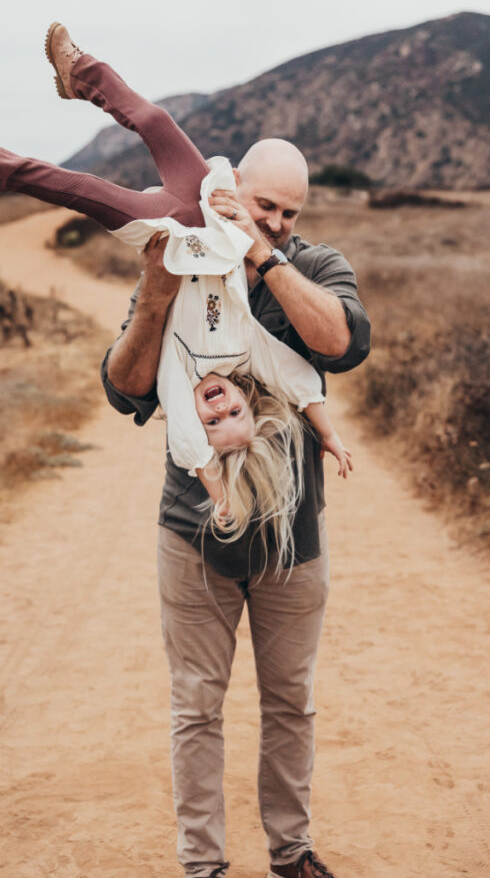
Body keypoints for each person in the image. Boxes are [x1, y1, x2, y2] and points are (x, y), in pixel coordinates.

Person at [0, 24, 352, 569]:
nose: (221, 407)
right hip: (201, 192)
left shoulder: (182, 379)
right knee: (156, 121)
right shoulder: (250, 351)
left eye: (215, 421)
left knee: (87, 191)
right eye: (235, 413)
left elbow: (187, 440)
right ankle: (78, 72)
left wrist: (220, 492)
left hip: (173, 233)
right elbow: (300, 382)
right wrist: (330, 434)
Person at [97, 62, 371, 873]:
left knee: (292, 704)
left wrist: (264, 258)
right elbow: (124, 390)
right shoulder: (180, 259)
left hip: (295, 539)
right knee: (196, 709)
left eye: (291, 211)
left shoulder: (314, 265)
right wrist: (152, 294)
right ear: (234, 186)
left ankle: (290, 853)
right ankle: (203, 865)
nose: (279, 220)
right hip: (193, 534)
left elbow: (342, 344)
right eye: (265, 206)